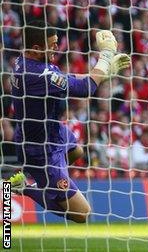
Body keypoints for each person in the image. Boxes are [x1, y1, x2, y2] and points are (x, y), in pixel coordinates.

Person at [7, 20, 130, 223]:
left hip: (53, 131)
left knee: (77, 151)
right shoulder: (39, 74)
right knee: (82, 214)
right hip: (40, 150)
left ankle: (50, 183)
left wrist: (103, 75)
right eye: (52, 44)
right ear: (37, 48)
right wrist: (106, 58)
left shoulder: (25, 61)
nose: (57, 46)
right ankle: (26, 188)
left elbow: (67, 78)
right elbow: (85, 89)